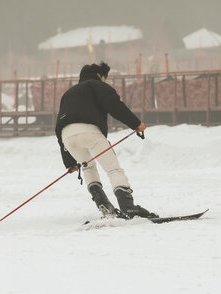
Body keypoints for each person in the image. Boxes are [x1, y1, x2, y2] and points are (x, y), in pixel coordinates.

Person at [55, 62, 157, 219]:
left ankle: (104, 207)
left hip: (67, 138)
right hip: (90, 132)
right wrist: (136, 124)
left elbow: (59, 126)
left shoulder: (68, 94)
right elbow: (114, 106)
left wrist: (70, 162)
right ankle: (128, 207)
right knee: (113, 169)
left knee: (88, 168)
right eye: (104, 77)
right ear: (98, 75)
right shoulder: (97, 85)